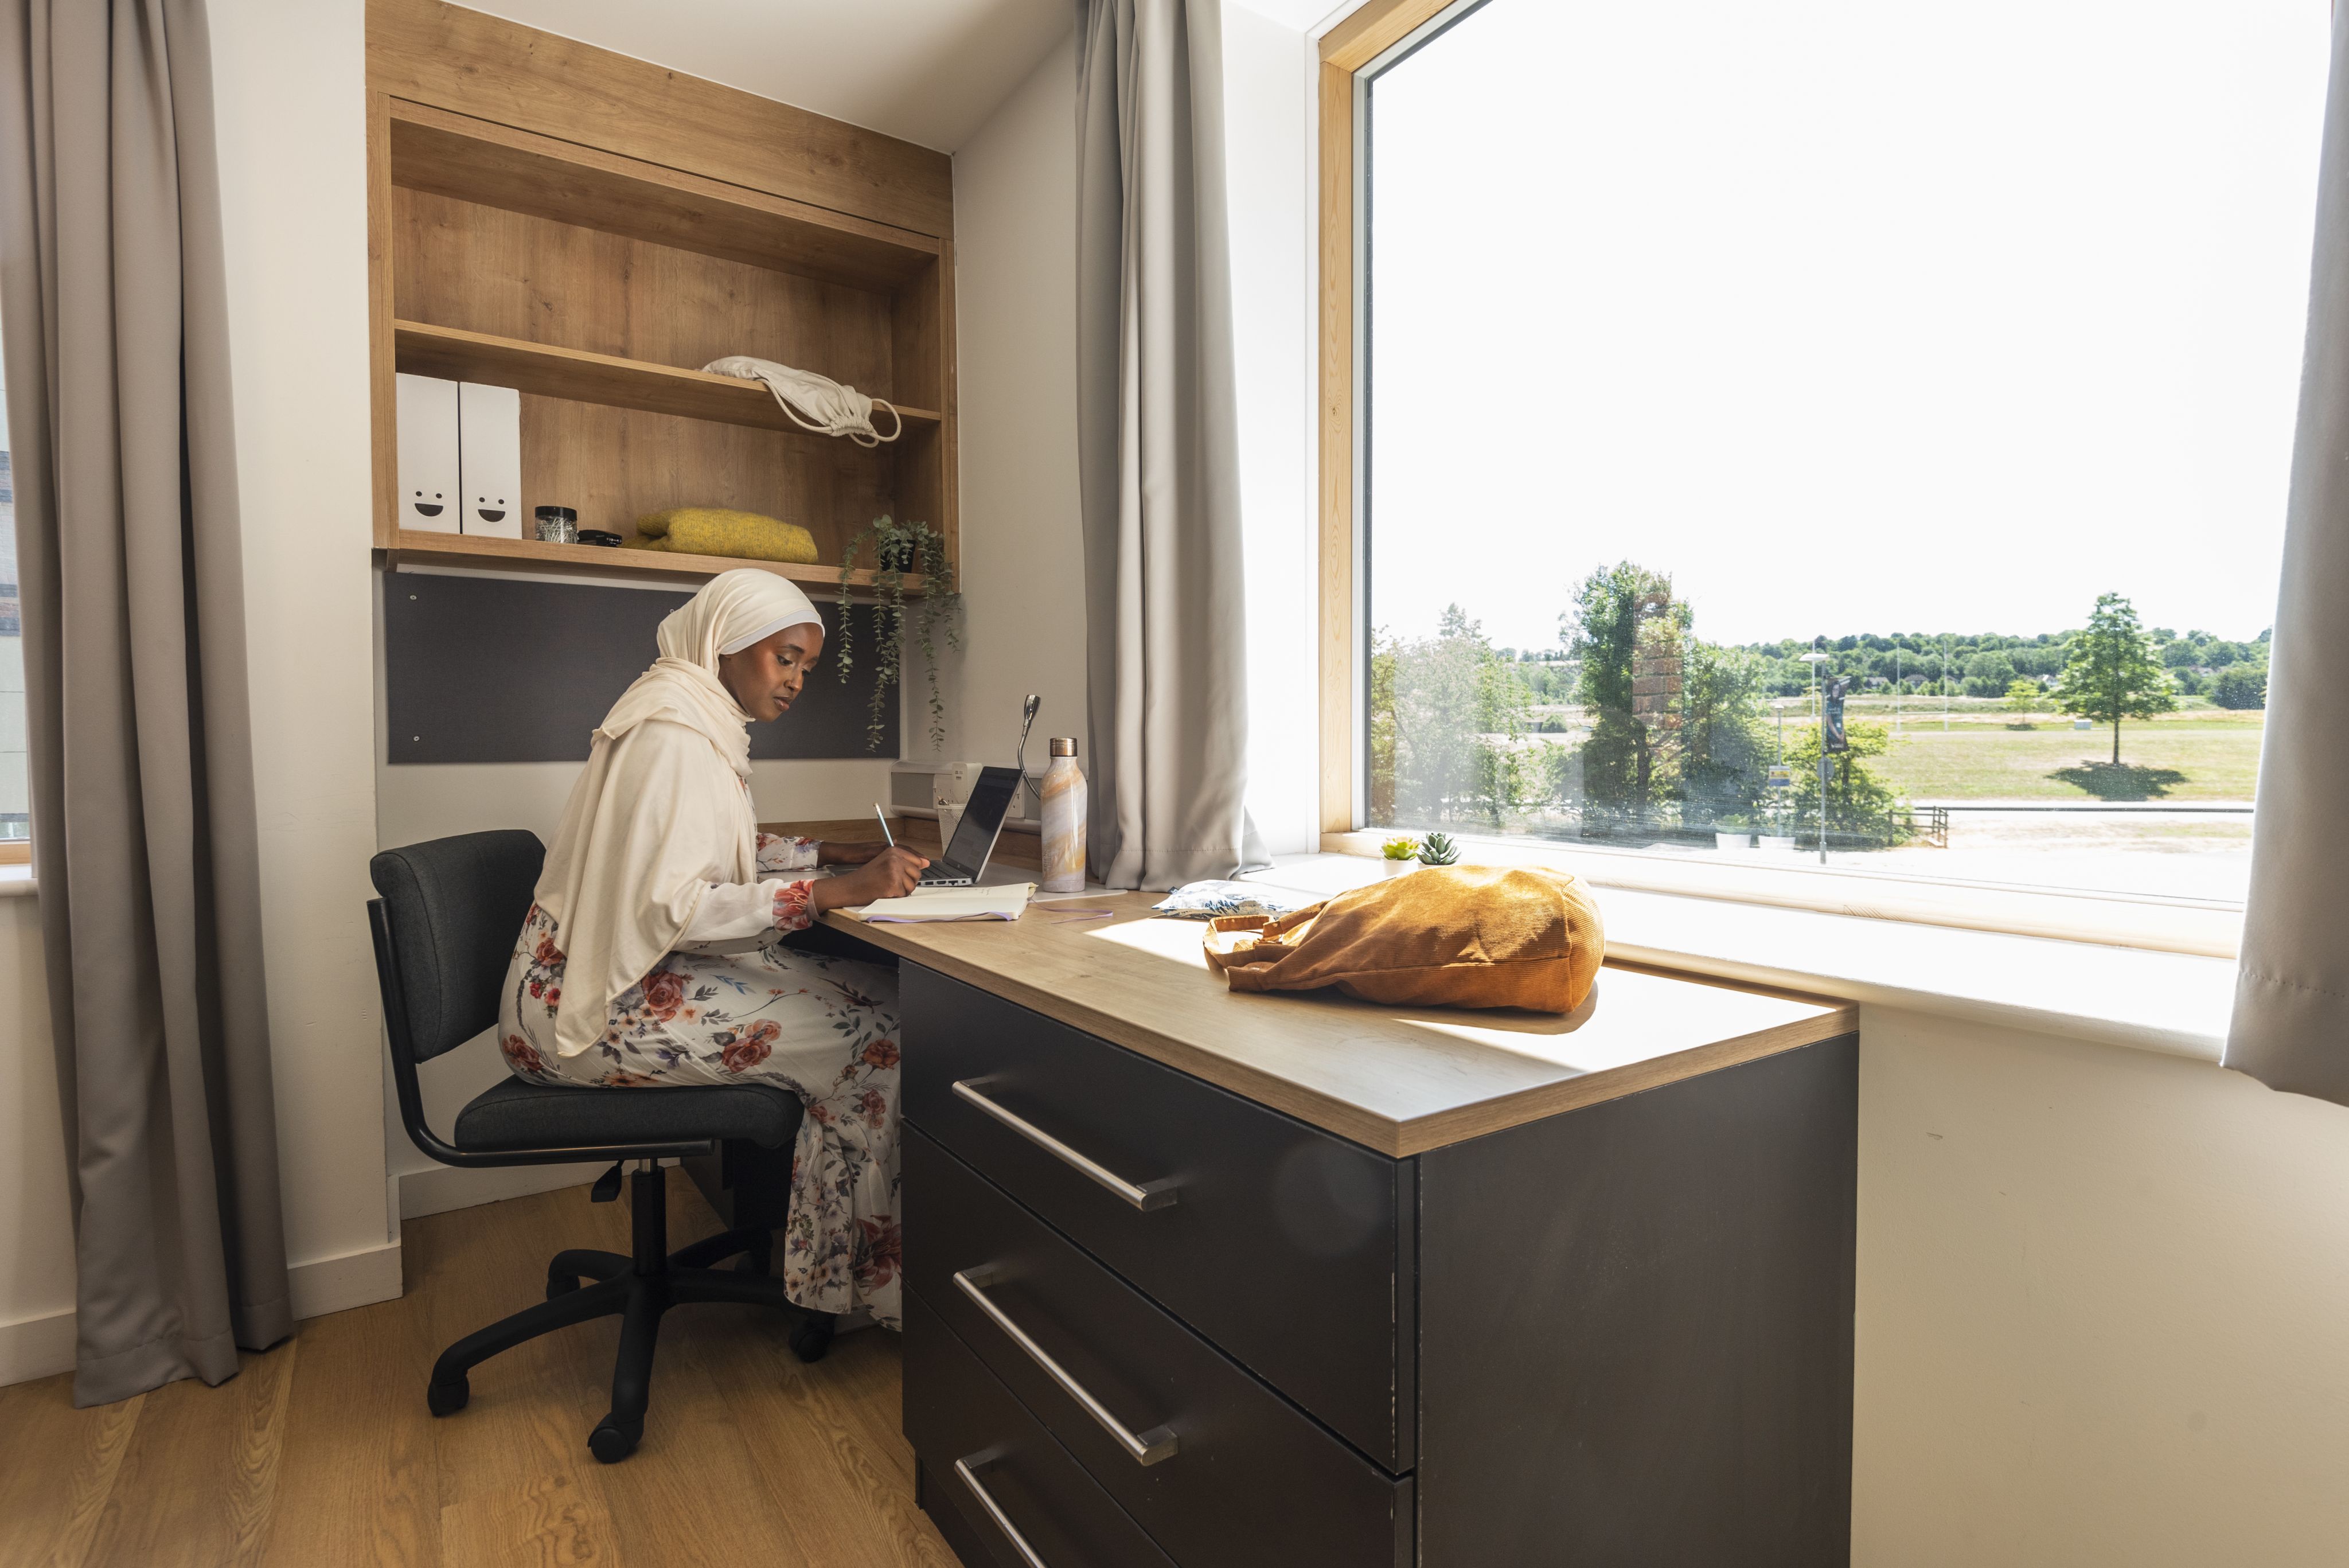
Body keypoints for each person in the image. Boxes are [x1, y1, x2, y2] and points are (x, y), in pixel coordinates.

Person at [494, 569, 930, 1330]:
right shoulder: (673, 738)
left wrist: (827, 850)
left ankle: (836, 1269)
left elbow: (697, 853)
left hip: (582, 975)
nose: (795, 681)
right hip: (582, 1012)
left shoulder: (686, 712)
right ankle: (850, 1288)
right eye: (784, 658)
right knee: (879, 1030)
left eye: (805, 667)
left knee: (868, 987)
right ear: (727, 642)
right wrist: (833, 890)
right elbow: (676, 906)